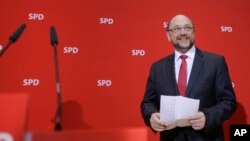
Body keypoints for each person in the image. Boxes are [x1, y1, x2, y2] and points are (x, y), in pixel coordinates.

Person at [140, 14, 237, 141]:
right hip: (171, 137)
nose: (183, 32)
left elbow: (228, 101)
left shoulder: (215, 62)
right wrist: (151, 116)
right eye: (177, 29)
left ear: (194, 32)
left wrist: (207, 117)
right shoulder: (157, 67)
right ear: (168, 35)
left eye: (187, 28)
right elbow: (148, 103)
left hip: (206, 137)